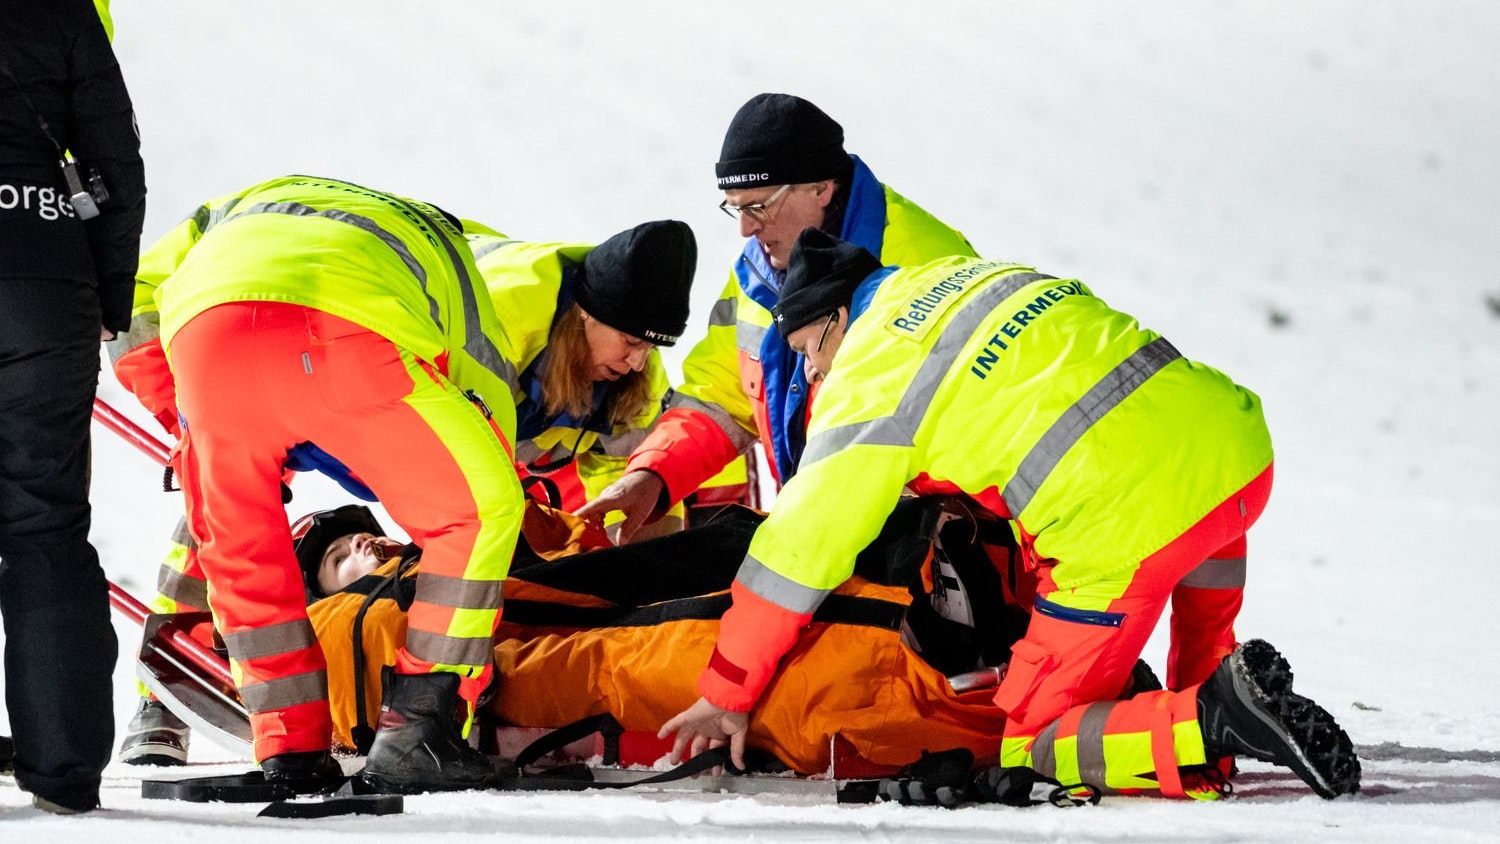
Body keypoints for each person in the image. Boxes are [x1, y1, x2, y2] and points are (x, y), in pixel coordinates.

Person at [659, 229, 1361, 801]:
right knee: (1200, 626)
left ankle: (1213, 722)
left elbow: (799, 548)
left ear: (837, 318)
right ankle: (1220, 699)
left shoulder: (873, 374)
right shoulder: (972, 277)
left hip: (1127, 519)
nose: (813, 374)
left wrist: (727, 690)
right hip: (1234, 458)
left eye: (809, 351)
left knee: (1035, 743)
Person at [107, 217, 698, 764]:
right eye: (630, 342)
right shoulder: (500, 324)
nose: (639, 360)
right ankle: (165, 692)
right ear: (584, 315)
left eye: (651, 347)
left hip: (348, 350)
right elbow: (465, 501)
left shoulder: (631, 372)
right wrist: (184, 415)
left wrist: (628, 551)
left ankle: (413, 715)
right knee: (225, 496)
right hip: (347, 355)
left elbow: (617, 499)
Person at [140, 174, 525, 795]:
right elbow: (482, 388)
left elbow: (136, 303)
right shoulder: (442, 244)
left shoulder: (239, 204)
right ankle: (418, 735)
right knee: (482, 511)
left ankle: (288, 750)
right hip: (344, 337)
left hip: (204, 348)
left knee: (243, 555)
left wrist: (183, 419)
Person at [578, 93, 976, 541]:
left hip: (922, 543)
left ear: (821, 187)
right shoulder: (757, 270)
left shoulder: (927, 265)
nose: (745, 228)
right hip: (820, 534)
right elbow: (718, 398)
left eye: (758, 206)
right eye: (736, 207)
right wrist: (652, 474)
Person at [0, 0, 145, 814]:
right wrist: (109, 295)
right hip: (45, 276)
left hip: (44, 276)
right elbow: (114, 160)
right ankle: (62, 770)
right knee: (44, 524)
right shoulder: (61, 9)